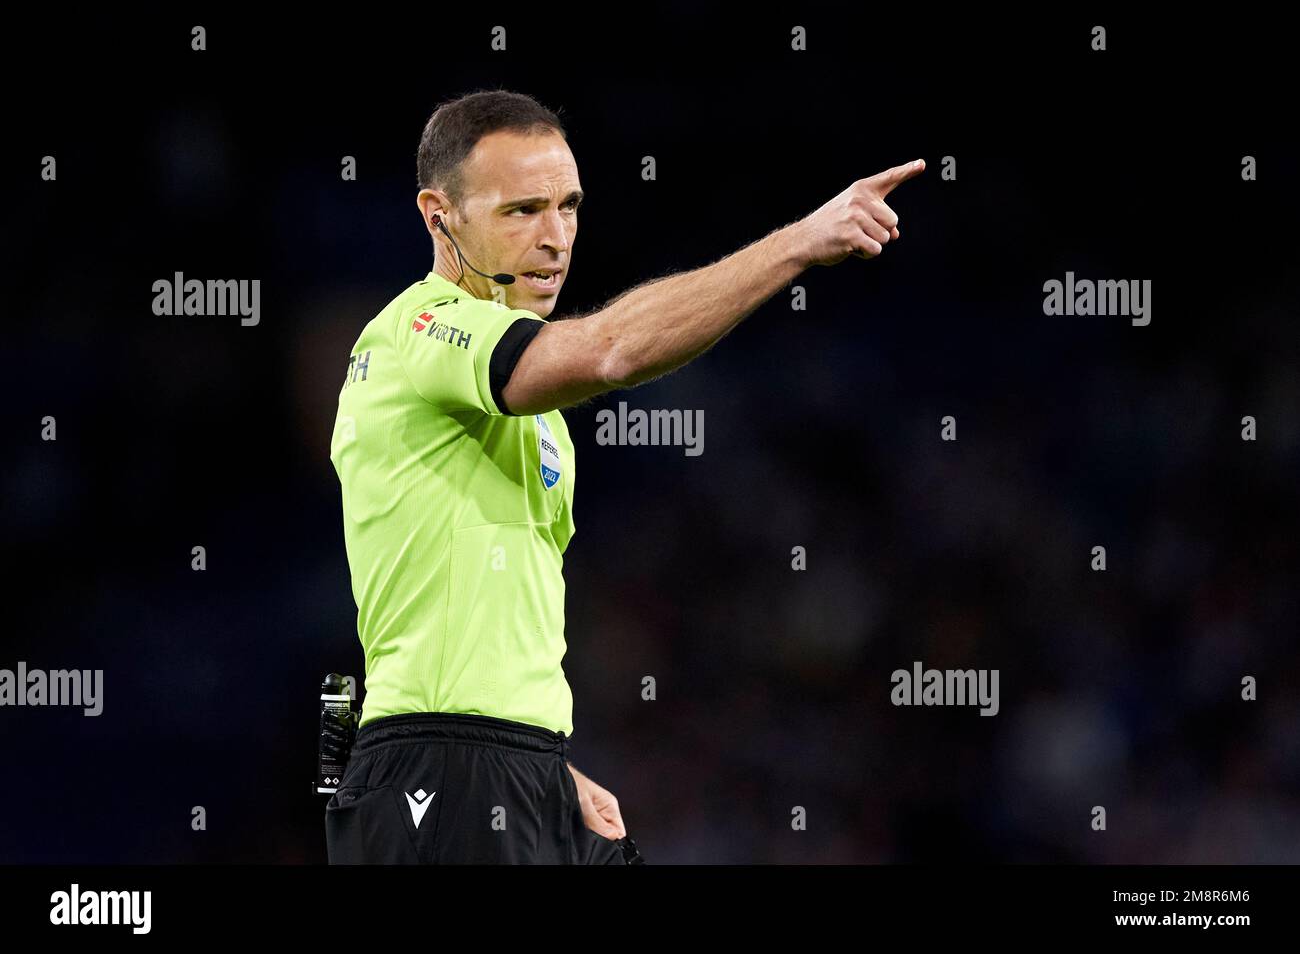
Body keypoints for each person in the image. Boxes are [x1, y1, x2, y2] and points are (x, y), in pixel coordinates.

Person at [326, 88, 923, 863]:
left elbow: (482, 608)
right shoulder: (418, 330)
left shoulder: (537, 420)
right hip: (439, 771)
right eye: (522, 211)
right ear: (440, 217)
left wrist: (545, 763)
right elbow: (613, 351)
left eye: (569, 206)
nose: (556, 238)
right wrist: (800, 244)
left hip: (512, 767)